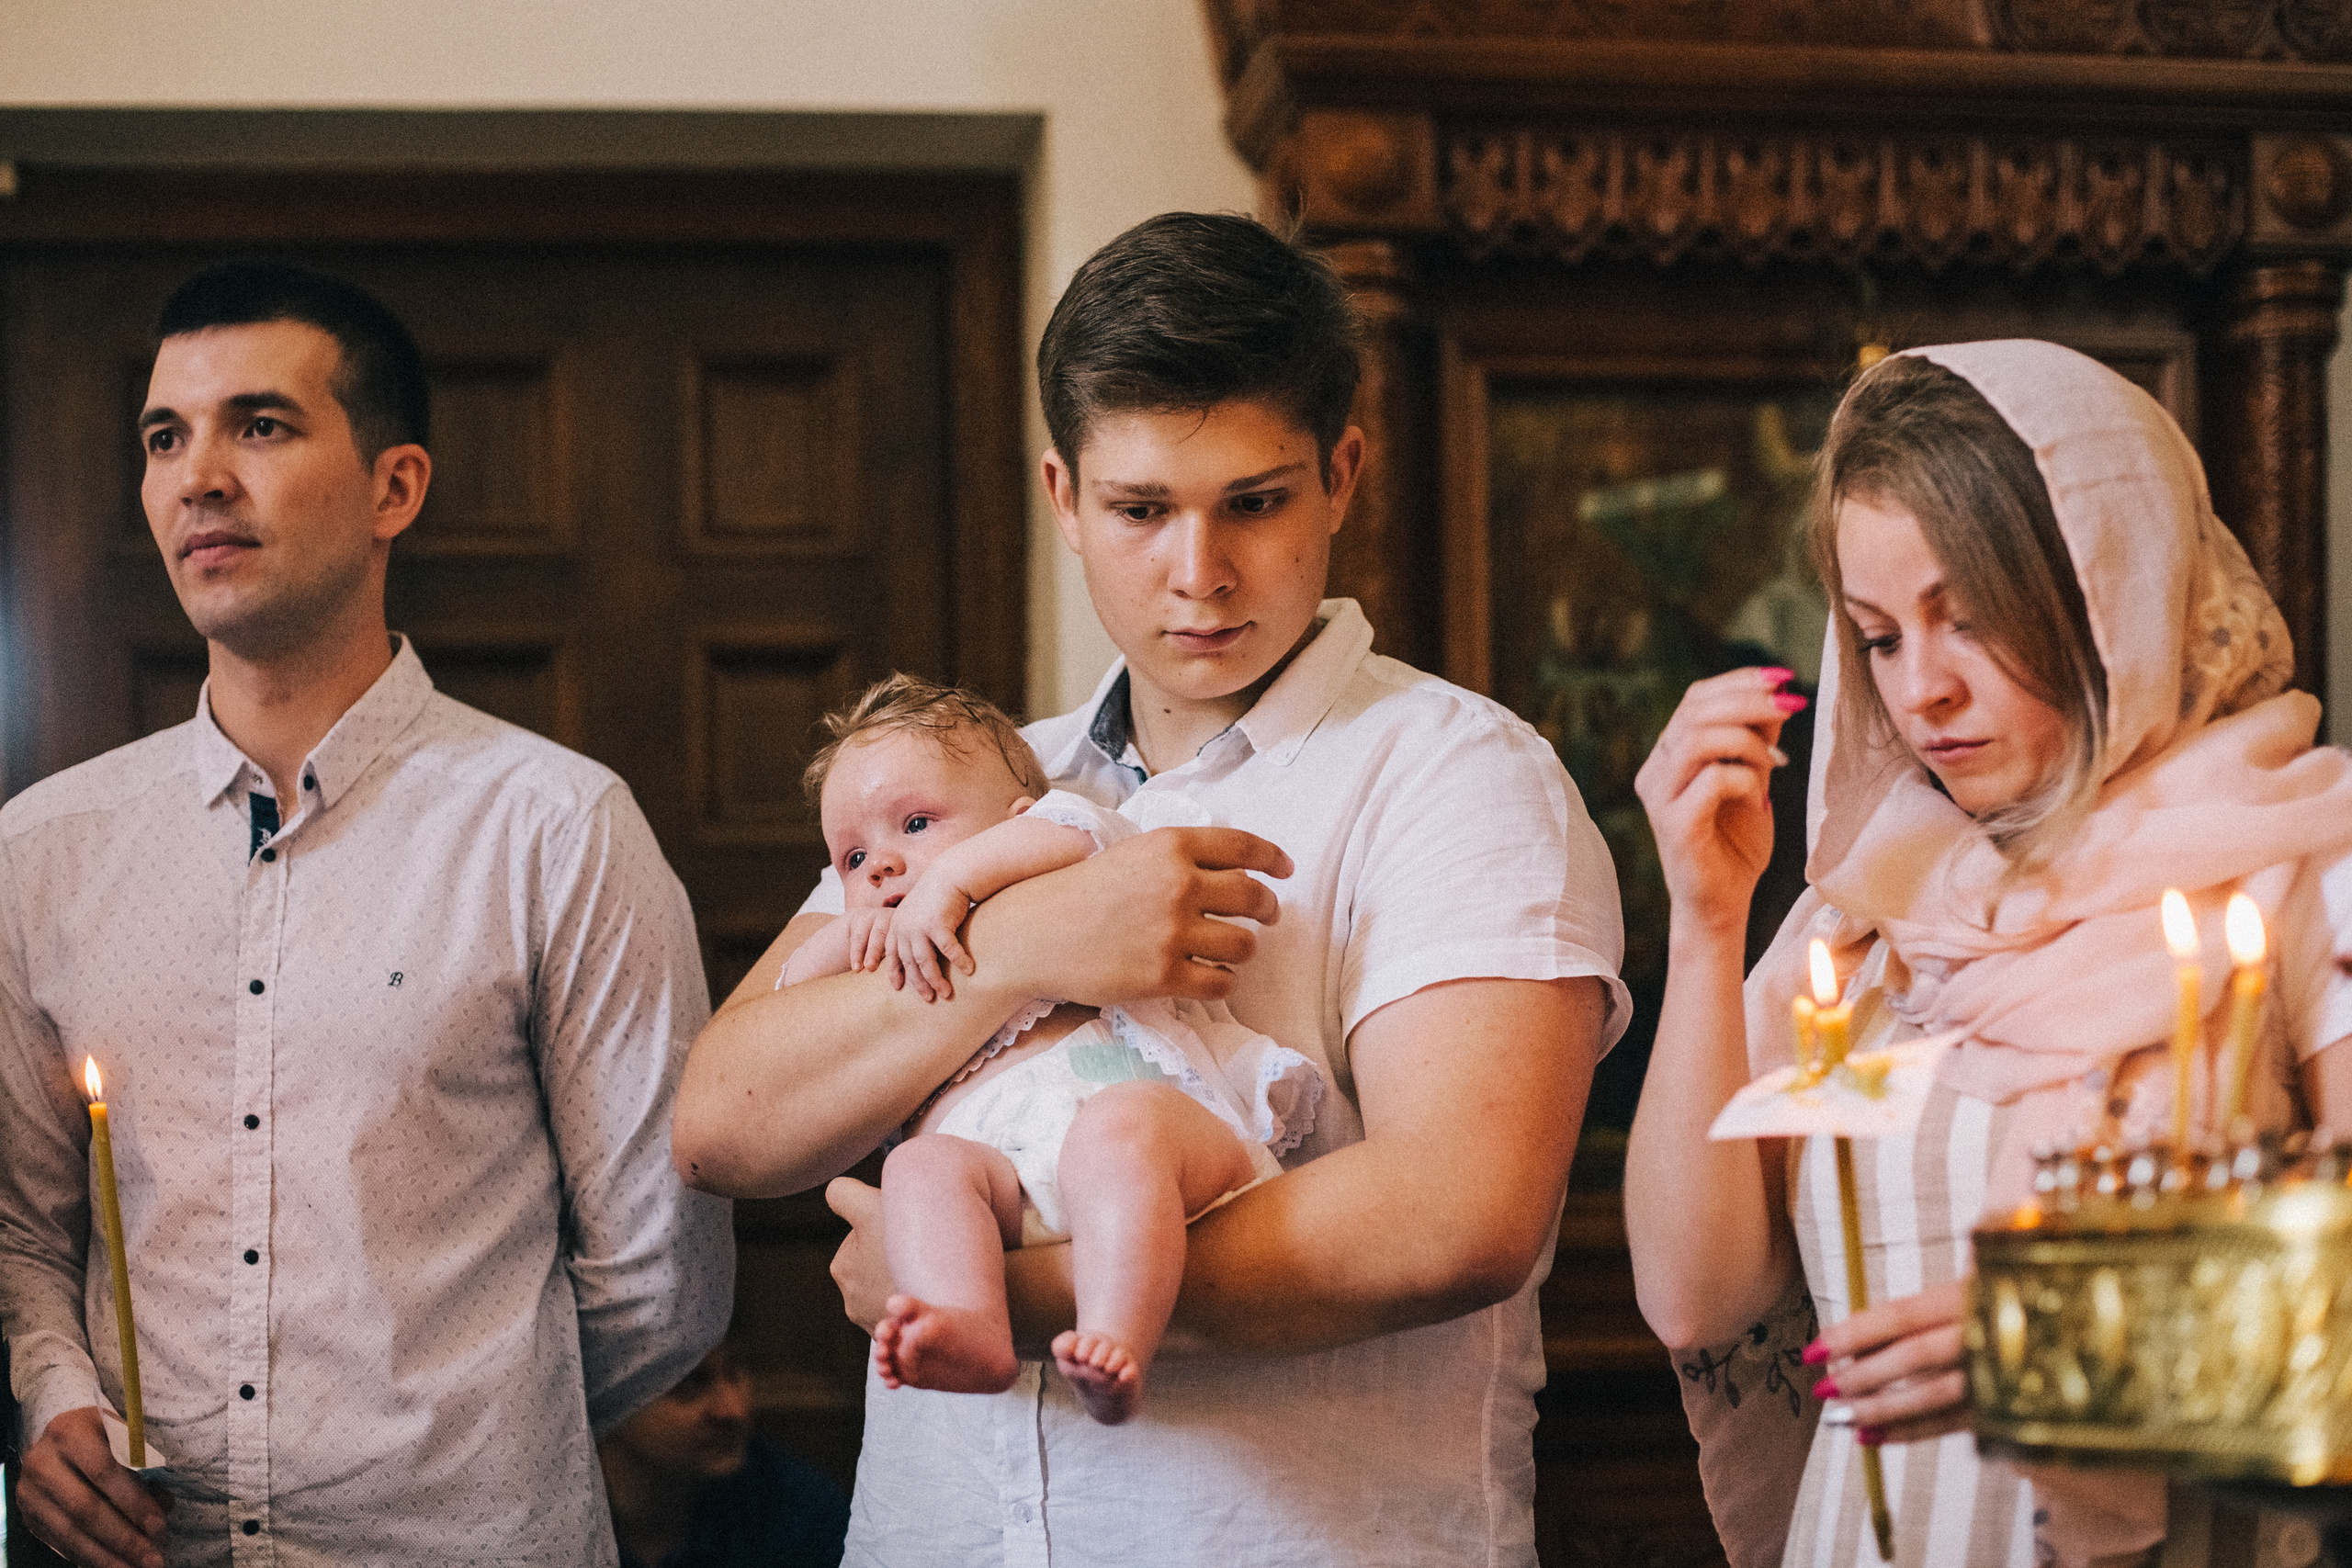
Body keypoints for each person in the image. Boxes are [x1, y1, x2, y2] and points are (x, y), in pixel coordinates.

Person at [673, 211, 1627, 1567]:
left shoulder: (1458, 774)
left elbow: (1457, 1215)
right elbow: (725, 1118)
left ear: (1341, 475)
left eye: (1256, 499)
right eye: (1140, 510)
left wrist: (989, 1287)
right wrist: (1023, 946)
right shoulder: (983, 780)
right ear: (1063, 496)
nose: (1201, 573)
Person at [0, 261, 733, 1567]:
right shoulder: (43, 852)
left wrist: (463, 1441)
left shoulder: (554, 828)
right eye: (166, 436)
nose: (197, 475)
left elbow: (660, 1277)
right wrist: (58, 1397)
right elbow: (21, 1225)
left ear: (395, 485)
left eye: (260, 425)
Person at [1624, 340, 2352, 1568]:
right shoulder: (1866, 916)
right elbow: (1697, 1297)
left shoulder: (2295, 870)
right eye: (1880, 637)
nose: (1925, 692)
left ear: (2114, 585)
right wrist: (1706, 918)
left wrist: (2059, 1335)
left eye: (1972, 618)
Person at [781, 674, 1317, 1424]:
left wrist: (959, 883)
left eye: (915, 824)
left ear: (1013, 816)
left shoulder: (1060, 851)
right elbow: (790, 1017)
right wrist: (840, 938)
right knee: (918, 1165)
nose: (880, 866)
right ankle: (970, 1325)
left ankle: (1117, 1338)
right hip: (1008, 1190)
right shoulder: (880, 949)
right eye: (851, 857)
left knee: (1116, 1131)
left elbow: (1071, 828)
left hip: (1161, 1142)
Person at [599, 1337, 849, 1568]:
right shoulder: (563, 1521)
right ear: (604, 1396)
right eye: (690, 1382)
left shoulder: (800, 1513)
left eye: (735, 1372)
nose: (733, 1410)